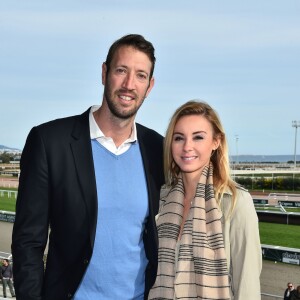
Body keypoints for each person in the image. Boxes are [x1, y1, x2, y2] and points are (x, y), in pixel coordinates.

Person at [12, 34, 164, 300]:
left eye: (140, 76)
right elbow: (28, 243)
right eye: (121, 71)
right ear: (104, 73)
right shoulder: (50, 142)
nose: (129, 84)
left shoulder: (156, 148)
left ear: (149, 86)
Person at [148, 100, 262, 300]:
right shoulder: (161, 198)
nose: (187, 147)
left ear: (216, 142)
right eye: (179, 138)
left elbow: (247, 284)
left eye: (198, 137)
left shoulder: (236, 202)